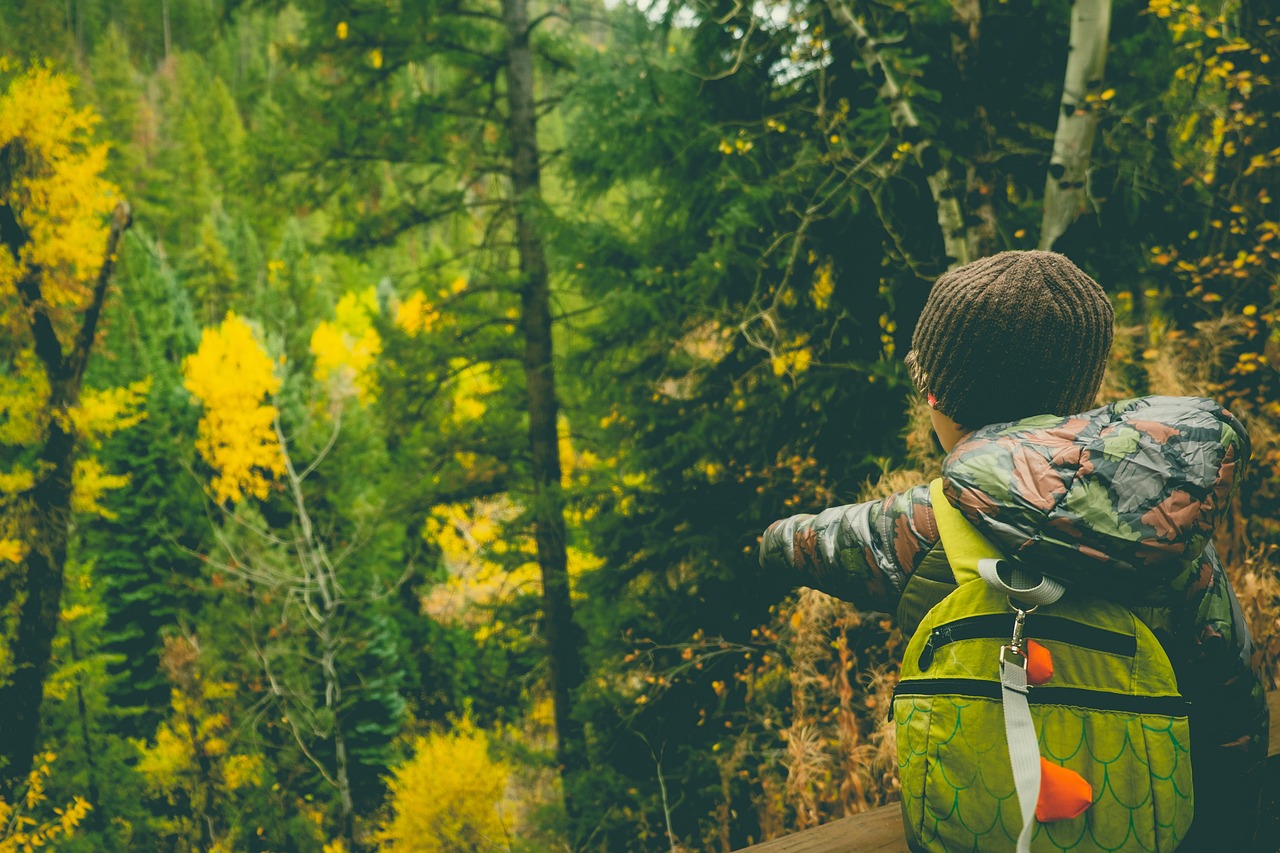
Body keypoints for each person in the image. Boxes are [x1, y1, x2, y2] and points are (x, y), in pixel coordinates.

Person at [759, 250, 1268, 850]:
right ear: (1078, 391)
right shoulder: (1169, 526)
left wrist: (769, 542)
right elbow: (1235, 707)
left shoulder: (920, 524)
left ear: (938, 398)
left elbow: (808, 543)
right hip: (1150, 823)